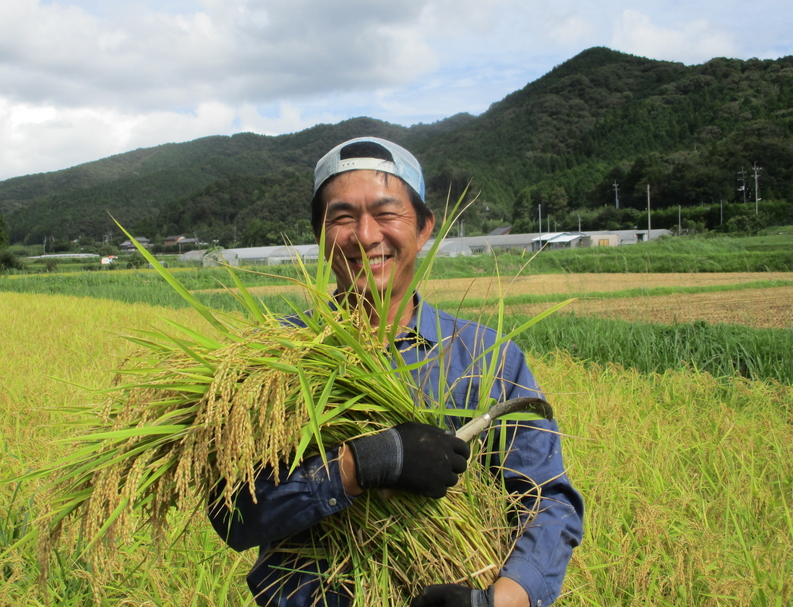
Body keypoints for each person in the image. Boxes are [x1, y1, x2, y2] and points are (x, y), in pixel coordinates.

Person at [209, 137, 583, 607]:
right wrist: (359, 466)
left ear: (424, 227)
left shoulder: (486, 357)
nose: (365, 236)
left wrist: (499, 601)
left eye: (386, 214)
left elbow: (546, 499)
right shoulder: (275, 359)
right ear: (320, 235)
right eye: (342, 218)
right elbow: (234, 515)